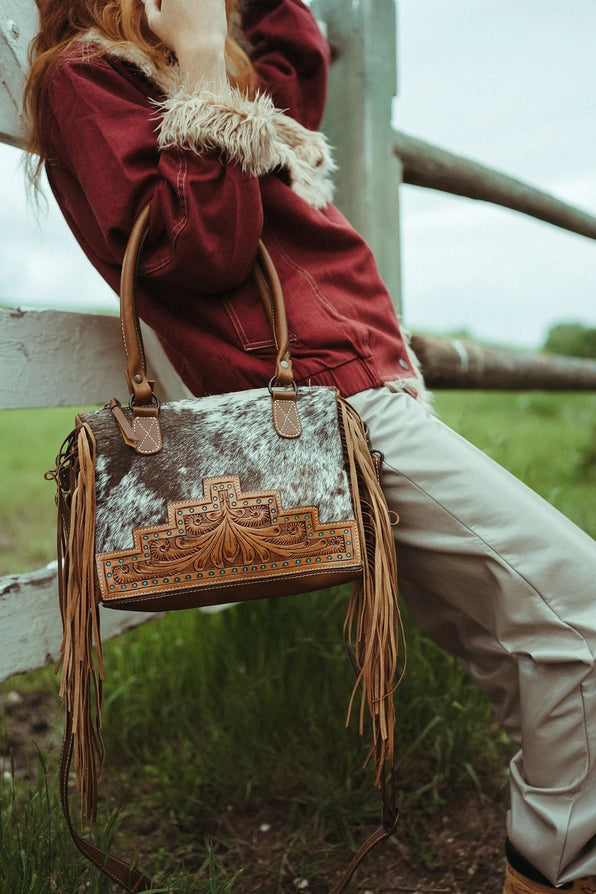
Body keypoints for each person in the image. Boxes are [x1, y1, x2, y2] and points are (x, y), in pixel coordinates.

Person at [24, 1, 596, 891]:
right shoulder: (88, 74)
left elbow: (299, 52)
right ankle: (560, 864)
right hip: (332, 403)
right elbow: (199, 250)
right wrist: (206, 65)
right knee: (581, 612)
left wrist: (216, 43)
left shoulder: (204, 57)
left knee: (513, 640)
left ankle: (563, 835)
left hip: (367, 384)